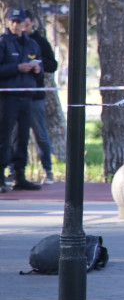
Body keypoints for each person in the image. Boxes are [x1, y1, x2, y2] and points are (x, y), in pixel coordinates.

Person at [0, 8, 43, 192]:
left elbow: (41, 63)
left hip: (27, 98)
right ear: (8, 23)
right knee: (4, 137)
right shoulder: (3, 42)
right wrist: (18, 67)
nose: (16, 25)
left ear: (26, 23)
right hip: (7, 98)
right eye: (13, 22)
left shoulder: (32, 44)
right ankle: (1, 177)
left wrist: (36, 69)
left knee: (23, 138)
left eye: (20, 22)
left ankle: (20, 176)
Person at [24, 11, 58, 184]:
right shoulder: (8, 42)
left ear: (33, 23)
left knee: (41, 135)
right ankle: (15, 172)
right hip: (15, 96)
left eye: (26, 24)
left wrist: (40, 65)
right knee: (15, 136)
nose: (23, 28)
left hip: (36, 96)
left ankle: (48, 170)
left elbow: (53, 65)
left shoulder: (40, 42)